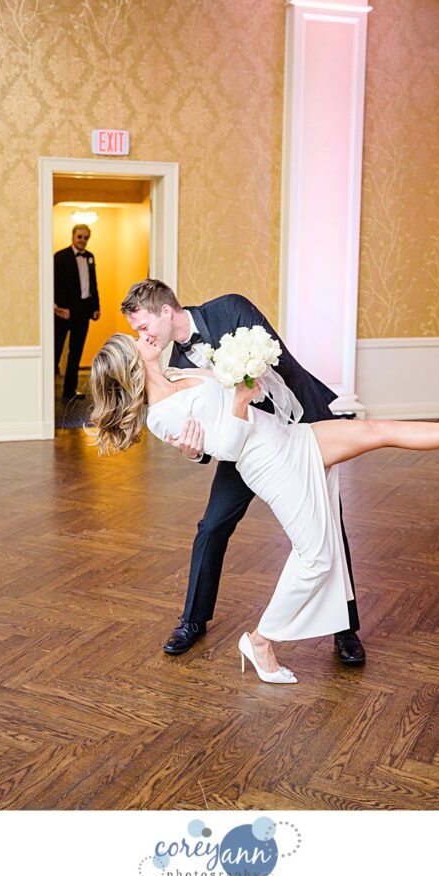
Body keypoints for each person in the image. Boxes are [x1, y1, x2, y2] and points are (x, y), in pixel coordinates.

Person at [88, 331, 439, 683]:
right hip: (271, 464)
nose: (142, 334)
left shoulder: (181, 370)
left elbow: (227, 407)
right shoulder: (161, 414)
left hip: (288, 437)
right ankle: (260, 641)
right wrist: (240, 398)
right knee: (316, 557)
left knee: (375, 430)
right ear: (131, 363)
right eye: (135, 339)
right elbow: (225, 448)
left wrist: (246, 374)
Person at [121, 281, 366, 666]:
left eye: (143, 326)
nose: (143, 336)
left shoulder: (230, 309)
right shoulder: (176, 368)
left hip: (299, 426)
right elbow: (204, 439)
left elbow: (281, 365)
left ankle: (345, 628)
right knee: (212, 525)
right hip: (245, 448)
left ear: (166, 312)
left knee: (329, 521)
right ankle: (193, 620)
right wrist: (190, 452)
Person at [54, 225, 101, 402]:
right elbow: (53, 284)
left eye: (86, 238)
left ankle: (69, 390)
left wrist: (96, 307)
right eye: (80, 237)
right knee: (56, 350)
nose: (82, 240)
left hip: (83, 311)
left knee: (76, 351)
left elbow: (93, 284)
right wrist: (57, 307)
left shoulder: (89, 257)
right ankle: (47, 392)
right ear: (73, 236)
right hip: (63, 311)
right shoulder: (60, 256)